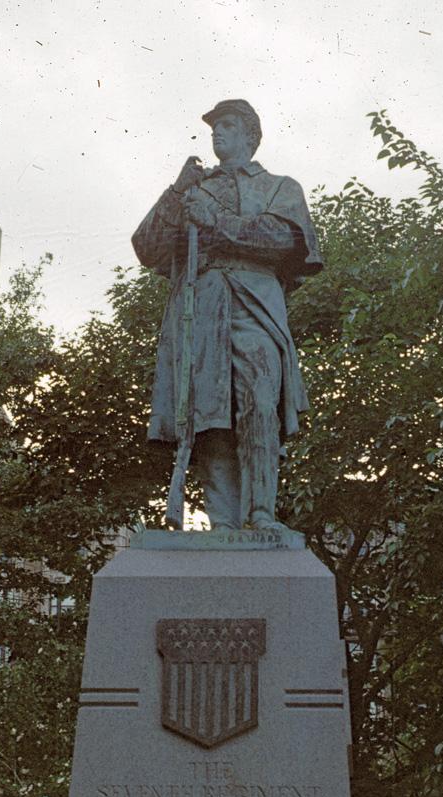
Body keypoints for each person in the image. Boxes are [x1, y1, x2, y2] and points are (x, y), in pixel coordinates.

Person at [132, 99, 323, 531]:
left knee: (258, 401)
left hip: (255, 302)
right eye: (214, 125)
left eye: (229, 125)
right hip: (200, 308)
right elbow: (148, 247)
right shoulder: (192, 191)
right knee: (208, 416)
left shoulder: (279, 187)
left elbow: (286, 239)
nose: (218, 132)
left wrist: (217, 221)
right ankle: (222, 523)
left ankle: (260, 513)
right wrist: (176, 191)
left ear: (251, 136)